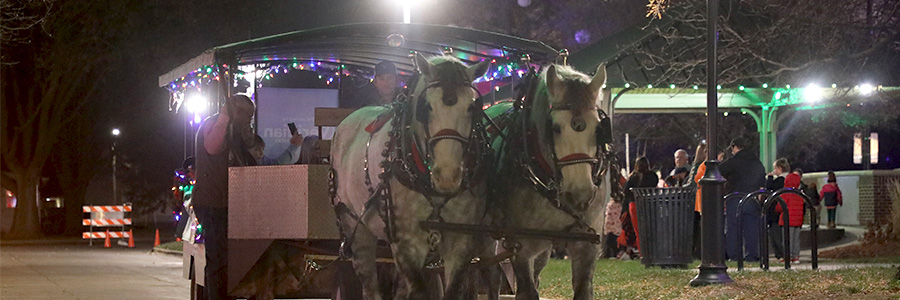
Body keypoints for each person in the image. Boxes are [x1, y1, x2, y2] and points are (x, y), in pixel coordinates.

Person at [193, 94, 257, 300]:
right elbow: (212, 147)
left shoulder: (236, 132)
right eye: (247, 115)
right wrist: (223, 118)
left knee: (225, 261)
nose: (249, 120)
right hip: (213, 203)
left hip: (229, 203)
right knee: (219, 261)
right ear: (235, 112)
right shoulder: (213, 124)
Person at [720, 136, 766, 262]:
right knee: (751, 228)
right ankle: (752, 254)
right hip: (752, 197)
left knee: (733, 228)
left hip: (735, 197)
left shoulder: (733, 161)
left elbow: (719, 171)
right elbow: (762, 176)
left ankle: (734, 255)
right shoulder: (756, 161)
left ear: (735, 147)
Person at [618, 156, 658, 259]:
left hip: (634, 204)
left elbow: (625, 191)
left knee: (638, 231)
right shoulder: (652, 176)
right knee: (649, 229)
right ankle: (651, 252)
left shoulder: (633, 177)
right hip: (649, 204)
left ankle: (642, 253)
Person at [765, 158, 790, 260]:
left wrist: (769, 178)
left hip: (775, 211)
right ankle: (781, 254)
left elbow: (769, 190)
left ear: (780, 168)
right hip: (783, 211)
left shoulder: (779, 181)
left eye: (775, 168)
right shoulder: (789, 179)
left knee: (775, 234)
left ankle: (781, 254)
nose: (774, 170)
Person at [689, 141, 708, 259]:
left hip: (695, 201)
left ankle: (697, 251)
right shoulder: (703, 166)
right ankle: (700, 252)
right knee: (702, 228)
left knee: (696, 228)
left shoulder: (695, 166)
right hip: (701, 200)